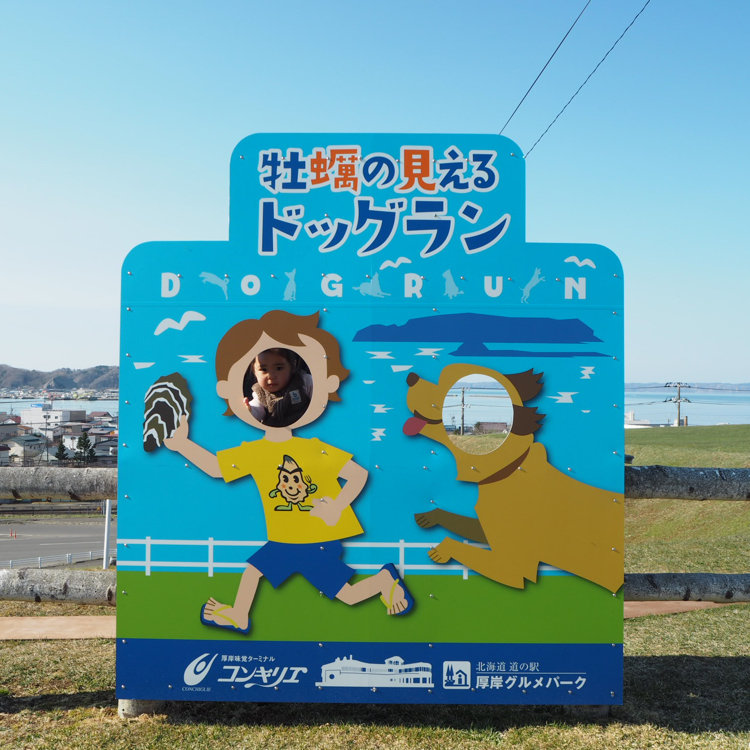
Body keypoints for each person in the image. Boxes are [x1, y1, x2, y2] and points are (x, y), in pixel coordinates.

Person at [163, 309, 413, 634]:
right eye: (262, 369)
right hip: (288, 538)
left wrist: (337, 507)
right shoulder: (255, 446)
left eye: (279, 367)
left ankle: (382, 581)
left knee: (289, 580)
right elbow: (215, 468)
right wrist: (182, 444)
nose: (271, 375)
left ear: (296, 370)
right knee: (273, 575)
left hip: (315, 538)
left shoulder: (315, 446)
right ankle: (241, 613)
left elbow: (358, 475)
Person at [244, 347, 312, 427]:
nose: (271, 376)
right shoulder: (260, 393)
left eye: (279, 368)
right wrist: (250, 410)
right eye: (264, 369)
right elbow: (257, 410)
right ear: (254, 372)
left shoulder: (304, 381)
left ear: (292, 367)